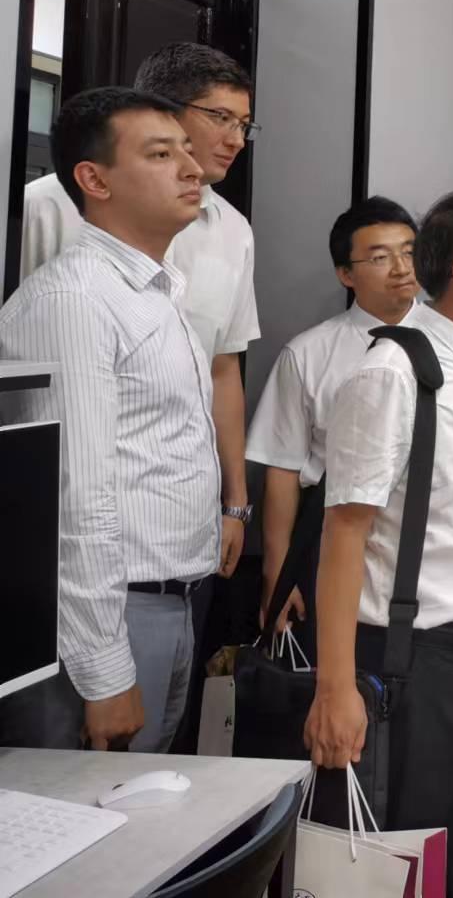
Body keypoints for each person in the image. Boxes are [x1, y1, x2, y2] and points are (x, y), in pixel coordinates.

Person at [304, 188, 453, 898]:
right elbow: (344, 531)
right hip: (418, 665)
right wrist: (335, 688)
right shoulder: (393, 372)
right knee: (404, 865)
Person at [0, 88, 221, 752]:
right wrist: (104, 668)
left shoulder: (155, 291)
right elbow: (74, 497)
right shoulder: (75, 298)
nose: (193, 168)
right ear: (94, 180)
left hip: (170, 602)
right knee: (86, 808)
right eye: (161, 154)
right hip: (106, 614)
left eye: (187, 150)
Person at [23, 44, 260, 584]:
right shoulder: (49, 207)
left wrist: (235, 502)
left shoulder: (234, 231)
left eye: (245, 124)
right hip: (71, 532)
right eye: (220, 117)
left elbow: (224, 367)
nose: (236, 139)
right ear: (162, 111)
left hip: (183, 533)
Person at [248, 196, 420, 636]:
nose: (401, 268)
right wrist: (277, 573)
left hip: (425, 545)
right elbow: (283, 469)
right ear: (346, 273)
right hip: (332, 539)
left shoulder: (452, 344)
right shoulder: (309, 353)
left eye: (409, 252)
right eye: (380, 258)